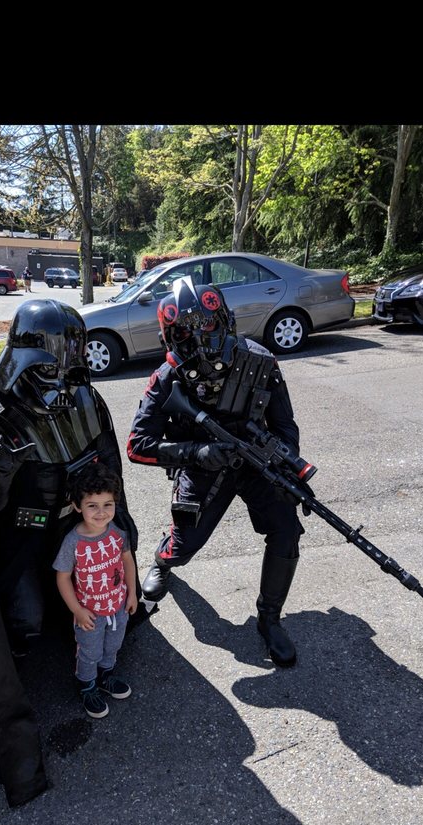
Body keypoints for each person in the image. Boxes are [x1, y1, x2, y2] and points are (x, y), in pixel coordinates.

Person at [0, 298, 143, 808]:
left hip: (75, 530)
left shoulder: (88, 404)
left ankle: (87, 656)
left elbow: (108, 467)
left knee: (90, 601)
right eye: (48, 370)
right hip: (19, 541)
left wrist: (116, 525)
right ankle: (7, 670)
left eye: (71, 371)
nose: (60, 384)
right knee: (24, 617)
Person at [127, 276, 305, 669]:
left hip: (255, 464)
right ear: (169, 337)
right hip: (202, 466)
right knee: (182, 549)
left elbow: (284, 425)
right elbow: (137, 445)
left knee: (287, 530)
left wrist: (287, 464)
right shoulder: (167, 375)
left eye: (206, 325)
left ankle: (269, 618)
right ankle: (162, 560)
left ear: (224, 321)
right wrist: (195, 452)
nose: (198, 338)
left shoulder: (261, 360)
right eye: (184, 332)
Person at [54, 463, 137, 719]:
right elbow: (62, 577)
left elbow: (127, 560)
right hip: (90, 614)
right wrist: (77, 611)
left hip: (118, 607)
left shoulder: (118, 532)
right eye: (92, 505)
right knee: (89, 653)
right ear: (78, 506)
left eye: (107, 504)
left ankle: (105, 677)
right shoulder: (73, 542)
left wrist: (132, 593)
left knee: (113, 646)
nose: (101, 512)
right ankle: (87, 686)